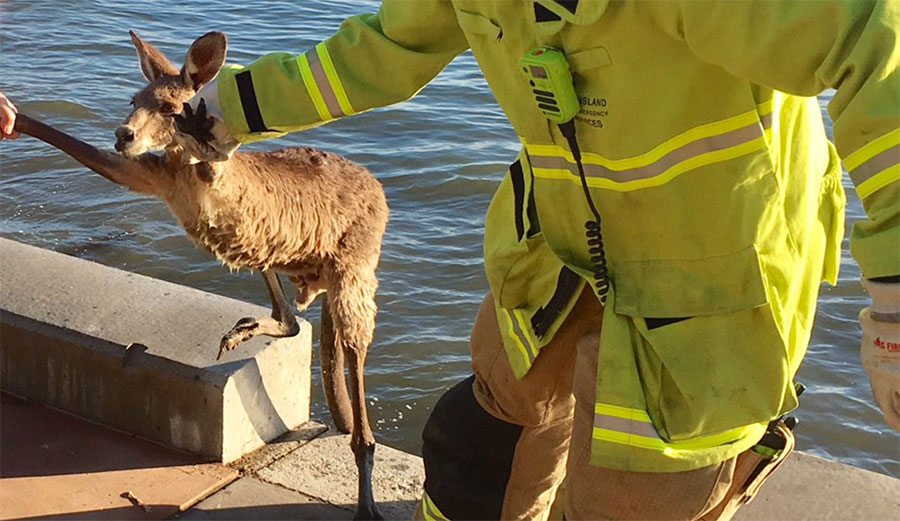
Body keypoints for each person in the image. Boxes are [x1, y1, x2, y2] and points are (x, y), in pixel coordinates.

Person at [9, 1, 900, 519]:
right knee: (471, 452)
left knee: (633, 500)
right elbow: (386, 51)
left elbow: (877, 45)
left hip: (712, 290)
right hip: (556, 257)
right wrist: (224, 111)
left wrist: (894, 289)